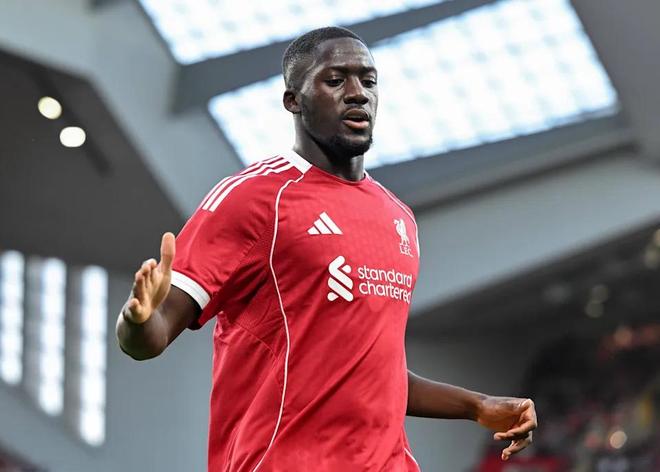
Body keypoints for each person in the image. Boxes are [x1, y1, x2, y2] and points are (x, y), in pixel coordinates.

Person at [116, 26, 537, 471]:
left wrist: (477, 405)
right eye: (335, 80)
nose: (357, 94)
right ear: (293, 100)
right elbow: (150, 338)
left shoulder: (398, 217)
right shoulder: (254, 198)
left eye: (368, 81)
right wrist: (136, 320)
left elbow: (373, 371)